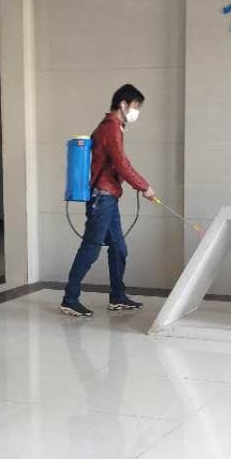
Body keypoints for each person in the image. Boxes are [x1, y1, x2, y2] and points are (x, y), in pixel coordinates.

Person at [60, 83, 155, 318]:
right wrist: (144, 186)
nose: (136, 112)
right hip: (102, 198)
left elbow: (118, 163)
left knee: (119, 249)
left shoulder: (114, 127)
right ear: (123, 104)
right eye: (135, 106)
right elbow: (121, 163)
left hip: (109, 197)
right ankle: (70, 299)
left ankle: (117, 296)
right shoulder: (110, 128)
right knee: (91, 248)